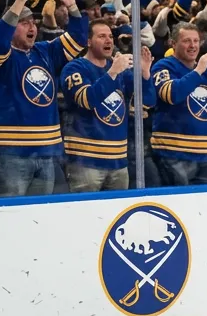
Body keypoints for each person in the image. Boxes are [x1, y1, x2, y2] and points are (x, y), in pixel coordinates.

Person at [0, 0, 87, 196]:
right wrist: (19, 1)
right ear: (11, 27)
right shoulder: (1, 55)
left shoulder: (45, 51)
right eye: (24, 23)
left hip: (47, 152)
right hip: (11, 153)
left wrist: (72, 6)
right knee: (9, 217)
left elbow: (78, 39)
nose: (32, 27)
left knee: (39, 219)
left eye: (34, 23)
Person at [60, 20, 153, 192]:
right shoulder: (75, 68)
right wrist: (113, 73)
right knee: (85, 214)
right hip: (86, 161)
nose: (109, 40)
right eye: (102, 36)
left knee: (116, 217)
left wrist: (145, 74)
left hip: (118, 160)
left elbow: (148, 102)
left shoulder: (120, 70)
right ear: (88, 41)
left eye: (110, 36)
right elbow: (87, 100)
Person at [150, 22, 207, 186]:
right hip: (173, 153)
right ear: (173, 44)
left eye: (196, 41)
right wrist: (197, 72)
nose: (193, 45)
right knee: (177, 206)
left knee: (205, 208)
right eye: (187, 41)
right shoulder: (163, 66)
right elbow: (172, 95)